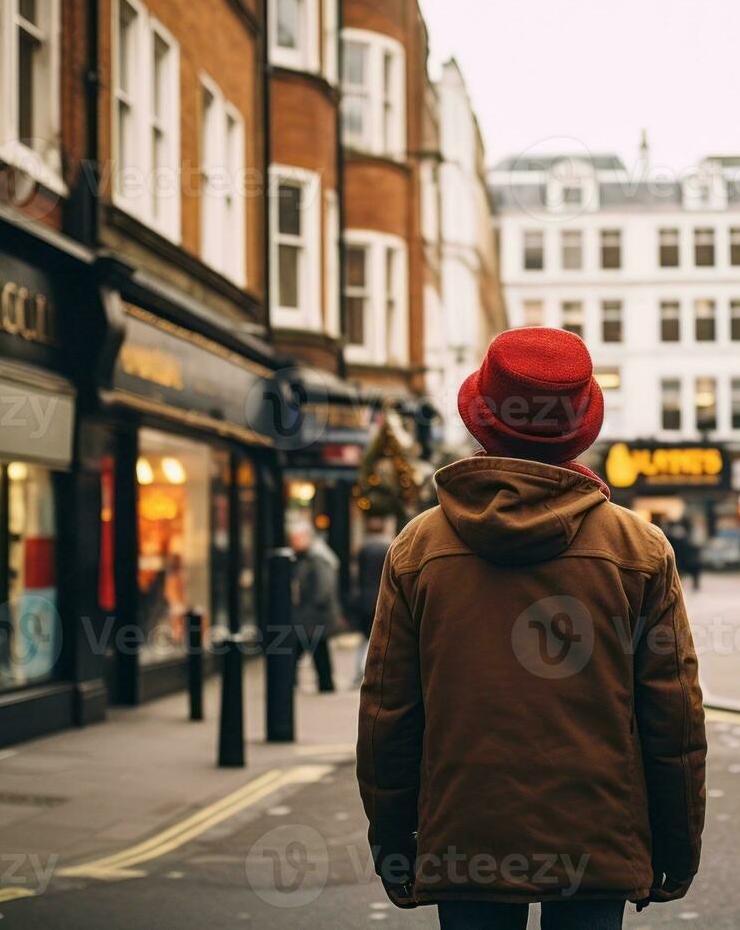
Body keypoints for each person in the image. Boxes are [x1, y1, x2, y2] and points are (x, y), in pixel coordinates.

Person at [358, 328, 706, 930]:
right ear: (579, 428)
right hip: (596, 834)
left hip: (465, 832)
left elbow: (389, 712)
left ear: (482, 421)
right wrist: (676, 846)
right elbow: (672, 716)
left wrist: (393, 846)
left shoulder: (418, 547)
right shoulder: (640, 549)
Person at [289, 526, 342, 693]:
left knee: (313, 650)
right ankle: (324, 684)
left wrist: (314, 605)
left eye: (296, 539)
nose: (293, 543)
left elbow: (324, 587)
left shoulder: (317, 558)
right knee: (316, 650)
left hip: (315, 615)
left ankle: (324, 684)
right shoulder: (304, 557)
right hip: (311, 615)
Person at [349, 515, 392, 687]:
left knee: (366, 637)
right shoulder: (389, 547)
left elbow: (358, 575)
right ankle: (373, 671)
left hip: (365, 598)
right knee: (380, 635)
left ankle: (361, 671)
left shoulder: (364, 548)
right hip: (382, 596)